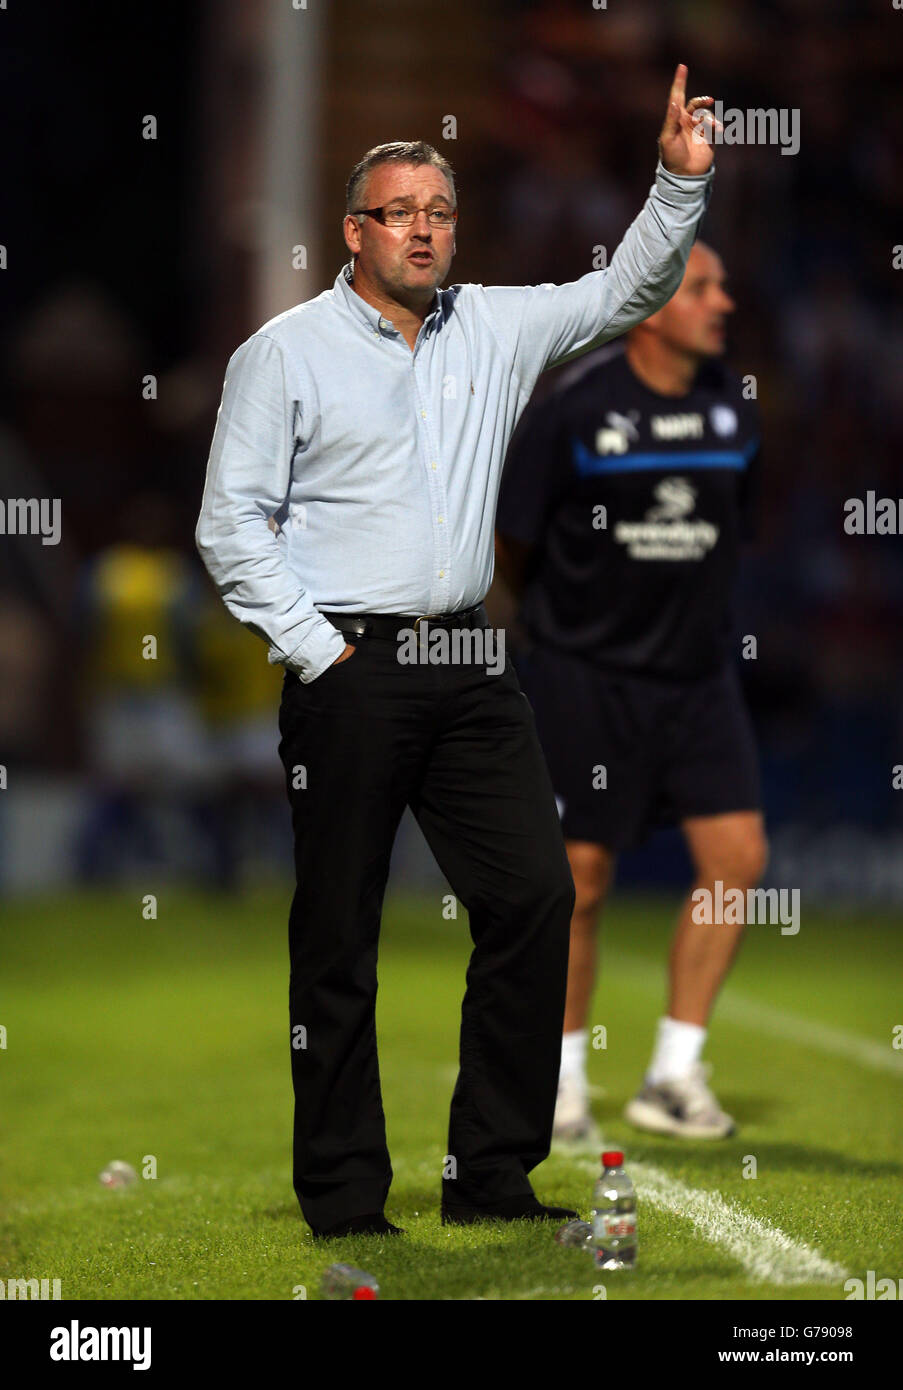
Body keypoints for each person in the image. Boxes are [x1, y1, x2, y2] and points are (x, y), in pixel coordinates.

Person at [196, 66, 717, 1238]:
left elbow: (626, 290)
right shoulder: (283, 353)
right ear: (353, 231)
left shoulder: (495, 321)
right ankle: (341, 1197)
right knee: (338, 936)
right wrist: (319, 652)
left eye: (439, 212)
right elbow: (231, 521)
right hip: (350, 668)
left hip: (470, 665)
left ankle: (488, 1176)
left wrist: (678, 184)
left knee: (534, 898)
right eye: (400, 212)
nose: (425, 230)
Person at [494, 241, 765, 1143]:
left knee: (737, 861)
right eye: (702, 288)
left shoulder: (734, 405)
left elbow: (739, 529)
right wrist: (539, 634)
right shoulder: (574, 407)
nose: (722, 303)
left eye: (722, 286)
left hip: (697, 678)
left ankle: (673, 1076)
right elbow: (512, 538)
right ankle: (562, 1083)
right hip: (584, 675)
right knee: (580, 876)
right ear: (650, 303)